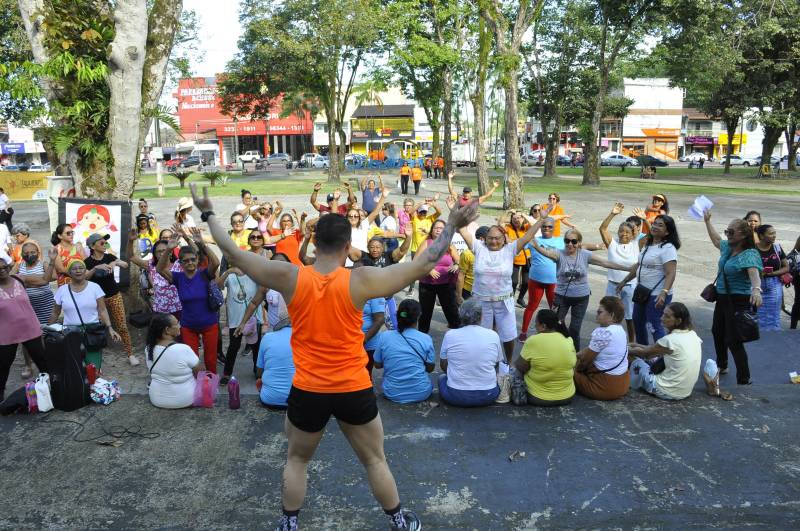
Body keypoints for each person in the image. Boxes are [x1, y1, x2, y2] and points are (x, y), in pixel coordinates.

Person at [193, 182, 477, 531]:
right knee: (374, 459)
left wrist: (207, 212)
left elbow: (234, 254)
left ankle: (289, 524)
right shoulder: (361, 281)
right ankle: (399, 521)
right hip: (352, 387)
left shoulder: (290, 276)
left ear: (314, 242)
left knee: (297, 460)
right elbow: (425, 263)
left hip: (308, 388)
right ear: (347, 246)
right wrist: (451, 222)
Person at [457, 206, 548, 362]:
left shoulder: (510, 249)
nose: (494, 241)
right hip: (481, 302)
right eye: (490, 237)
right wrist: (457, 211)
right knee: (481, 335)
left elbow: (527, 237)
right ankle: (485, 361)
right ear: (485, 238)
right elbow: (463, 230)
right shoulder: (478, 248)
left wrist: (541, 220)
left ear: (504, 238)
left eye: (497, 238)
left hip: (503, 301)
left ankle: (508, 362)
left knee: (508, 334)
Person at [529, 228, 628, 350]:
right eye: (567, 241)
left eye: (574, 241)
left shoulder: (585, 255)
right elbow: (547, 253)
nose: (570, 244)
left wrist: (629, 269)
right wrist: (536, 245)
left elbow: (606, 263)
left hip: (581, 298)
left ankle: (574, 354)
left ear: (579, 243)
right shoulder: (558, 254)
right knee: (556, 324)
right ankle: (560, 346)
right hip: (561, 297)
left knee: (575, 329)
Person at [703, 211, 762, 385]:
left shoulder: (749, 254)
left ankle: (744, 377)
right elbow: (715, 240)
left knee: (733, 339)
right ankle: (722, 365)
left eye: (731, 232)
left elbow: (754, 274)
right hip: (722, 298)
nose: (727, 234)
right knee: (717, 332)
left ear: (743, 235)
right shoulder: (728, 247)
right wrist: (707, 222)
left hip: (738, 300)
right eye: (727, 231)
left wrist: (756, 290)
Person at [157, 227, 220, 374]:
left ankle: (210, 389)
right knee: (192, 360)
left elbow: (216, 263)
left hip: (209, 324)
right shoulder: (178, 278)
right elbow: (160, 269)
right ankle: (196, 388)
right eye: (186, 261)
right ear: (181, 263)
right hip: (188, 326)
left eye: (193, 259)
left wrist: (202, 244)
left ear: (197, 260)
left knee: (211, 360)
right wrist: (169, 249)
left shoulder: (204, 274)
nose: (190, 262)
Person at [617, 215, 680, 346]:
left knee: (654, 325)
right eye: (654, 223)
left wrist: (664, 292)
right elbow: (639, 265)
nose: (655, 226)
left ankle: (661, 357)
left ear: (667, 231)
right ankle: (643, 355)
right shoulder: (649, 244)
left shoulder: (668, 248)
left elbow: (671, 272)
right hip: (642, 292)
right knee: (638, 323)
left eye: (660, 225)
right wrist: (624, 281)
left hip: (657, 294)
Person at [50, 260, 122, 369]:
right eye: (74, 269)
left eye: (81, 268)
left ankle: (92, 383)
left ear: (85, 271)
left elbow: (102, 310)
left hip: (92, 332)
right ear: (69, 272)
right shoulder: (62, 290)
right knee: (74, 367)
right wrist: (48, 328)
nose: (78, 271)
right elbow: (55, 312)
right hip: (70, 333)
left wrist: (110, 328)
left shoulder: (95, 288)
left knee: (93, 367)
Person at [628, 302, 702, 400]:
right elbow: (653, 349)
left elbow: (645, 353)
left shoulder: (670, 340)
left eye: (667, 316)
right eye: (663, 314)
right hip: (685, 391)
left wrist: (625, 350)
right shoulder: (693, 335)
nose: (661, 318)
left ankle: (626, 382)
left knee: (632, 358)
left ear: (678, 321)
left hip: (666, 391)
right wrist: (636, 344)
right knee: (650, 357)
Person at [84, 233, 137, 365]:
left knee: (122, 326)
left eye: (105, 242)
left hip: (114, 296)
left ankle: (130, 354)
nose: (104, 244)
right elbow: (84, 278)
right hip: (96, 300)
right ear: (92, 246)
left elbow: (125, 264)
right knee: (95, 328)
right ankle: (95, 357)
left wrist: (114, 262)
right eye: (101, 242)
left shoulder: (109, 257)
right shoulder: (87, 262)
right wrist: (96, 268)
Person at [438, 299, 503, 407]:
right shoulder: (493, 335)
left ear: (460, 315)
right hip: (489, 394)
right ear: (481, 316)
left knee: (441, 378)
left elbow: (443, 365)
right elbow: (496, 364)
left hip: (455, 396)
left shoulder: (450, 334)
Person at [0, 257, 48, 400]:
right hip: (6, 334)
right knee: (3, 366)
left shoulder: (20, 279)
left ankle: (53, 389)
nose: (2, 270)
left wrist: (51, 261)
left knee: (43, 362)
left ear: (9, 268)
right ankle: (1, 395)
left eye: (4, 267)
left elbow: (45, 280)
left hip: (30, 329)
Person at [372, 299, 435, 404]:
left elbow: (377, 365)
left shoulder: (384, 336)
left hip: (392, 392)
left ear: (398, 315)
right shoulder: (426, 338)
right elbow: (430, 368)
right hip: (421, 392)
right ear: (419, 316)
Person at [514, 309, 576, 406]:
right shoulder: (568, 339)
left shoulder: (534, 340)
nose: (534, 326)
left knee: (516, 369)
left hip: (538, 397)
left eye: (536, 324)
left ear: (543, 326)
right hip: (568, 396)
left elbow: (521, 366)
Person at [12, 241, 56, 378]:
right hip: (26, 308)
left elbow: (51, 277)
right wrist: (39, 280)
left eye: (32, 252)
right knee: (27, 337)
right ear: (22, 254)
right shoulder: (19, 266)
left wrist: (25, 281)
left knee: (47, 334)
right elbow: (12, 280)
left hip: (46, 305)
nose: (29, 255)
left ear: (38, 253)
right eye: (26, 252)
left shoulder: (43, 264)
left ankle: (48, 363)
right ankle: (28, 365)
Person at [573, 296, 629, 400]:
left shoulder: (604, 333)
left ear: (611, 315)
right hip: (622, 385)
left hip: (605, 388)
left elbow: (585, 361)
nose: (596, 315)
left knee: (565, 370)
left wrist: (575, 368)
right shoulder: (621, 331)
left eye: (600, 312)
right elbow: (589, 351)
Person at [599, 202, 640, 341]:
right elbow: (603, 228)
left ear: (632, 234)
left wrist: (645, 219)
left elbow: (651, 235)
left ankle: (631, 343)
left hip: (630, 286)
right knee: (608, 314)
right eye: (621, 231)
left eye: (627, 232)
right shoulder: (612, 244)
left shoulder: (636, 245)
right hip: (613, 284)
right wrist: (613, 214)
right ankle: (606, 339)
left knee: (629, 317)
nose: (624, 234)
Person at [217, 263, 264, 385]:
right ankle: (227, 373)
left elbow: (263, 290)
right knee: (233, 347)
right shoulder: (230, 275)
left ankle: (257, 371)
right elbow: (218, 286)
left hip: (253, 318)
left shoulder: (254, 275)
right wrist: (228, 272)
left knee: (256, 347)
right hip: (235, 319)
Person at [415, 219, 461, 333]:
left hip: (446, 284)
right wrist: (428, 269)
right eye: (436, 228)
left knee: (451, 310)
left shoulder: (449, 244)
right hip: (427, 284)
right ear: (432, 230)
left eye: (441, 228)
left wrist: (456, 265)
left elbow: (459, 261)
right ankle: (422, 335)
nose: (438, 230)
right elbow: (415, 261)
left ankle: (457, 333)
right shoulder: (427, 243)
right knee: (425, 312)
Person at [145, 313, 199, 409]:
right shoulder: (183, 349)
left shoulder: (148, 349)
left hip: (156, 399)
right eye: (177, 323)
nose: (180, 325)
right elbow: (199, 372)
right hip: (185, 399)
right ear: (167, 330)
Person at [520, 217, 561, 341]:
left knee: (554, 309)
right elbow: (518, 243)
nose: (546, 229)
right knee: (531, 306)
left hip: (553, 282)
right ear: (540, 227)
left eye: (550, 226)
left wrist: (597, 246)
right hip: (535, 280)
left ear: (554, 228)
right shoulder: (533, 241)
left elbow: (578, 247)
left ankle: (555, 334)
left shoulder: (561, 241)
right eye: (544, 226)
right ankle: (523, 333)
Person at [127, 232, 182, 319]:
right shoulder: (151, 266)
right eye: (159, 251)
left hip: (180, 308)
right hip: (160, 310)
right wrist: (130, 241)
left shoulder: (179, 264)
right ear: (155, 254)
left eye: (164, 250)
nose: (162, 253)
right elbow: (131, 257)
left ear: (171, 252)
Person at [256, 308, 295, 408]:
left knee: (260, 380)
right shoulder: (305, 338)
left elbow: (259, 371)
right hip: (298, 401)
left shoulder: (267, 337)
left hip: (269, 399)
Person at [754, 224, 788, 331]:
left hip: (774, 285)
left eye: (775, 233)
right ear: (762, 236)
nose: (774, 236)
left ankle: (774, 340)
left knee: (774, 316)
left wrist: (772, 274)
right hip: (756, 286)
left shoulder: (777, 248)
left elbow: (786, 267)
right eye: (771, 233)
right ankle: (762, 341)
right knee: (758, 315)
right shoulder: (753, 249)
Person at [505, 211, 532, 307]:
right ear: (511, 220)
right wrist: (507, 212)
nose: (516, 220)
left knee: (526, 282)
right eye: (514, 218)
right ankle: (510, 299)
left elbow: (535, 224)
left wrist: (524, 215)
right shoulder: (508, 228)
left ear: (522, 219)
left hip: (527, 258)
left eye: (519, 218)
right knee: (514, 281)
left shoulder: (526, 227)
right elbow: (499, 224)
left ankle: (520, 299)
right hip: (514, 259)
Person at [455, 226, 489, 305]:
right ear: (482, 239)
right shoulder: (467, 254)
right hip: (469, 292)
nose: (492, 240)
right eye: (489, 237)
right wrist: (459, 296)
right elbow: (461, 276)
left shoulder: (491, 252)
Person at [787, 236, 800, 329]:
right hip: (798, 278)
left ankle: (793, 326)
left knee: (798, 301)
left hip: (797, 278)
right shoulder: (796, 253)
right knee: (798, 301)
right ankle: (793, 326)